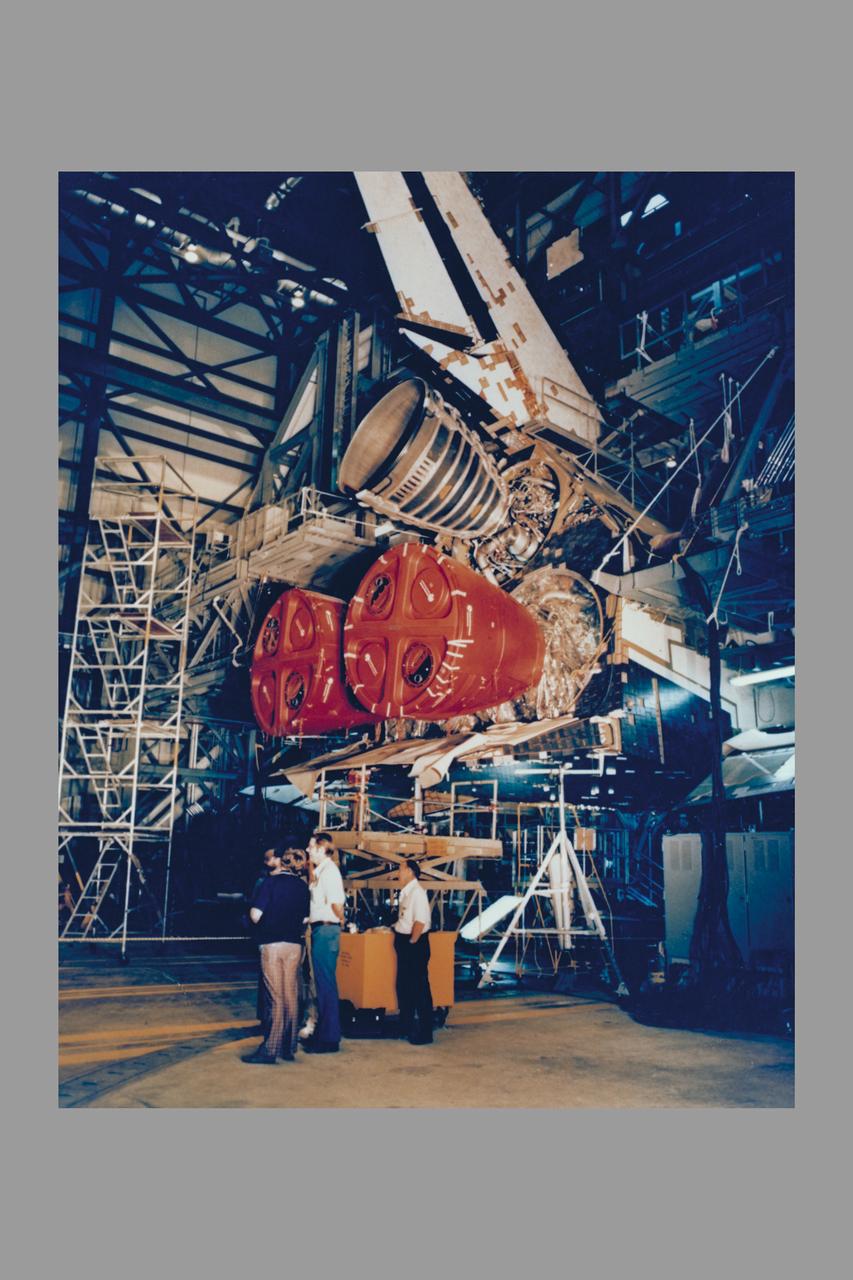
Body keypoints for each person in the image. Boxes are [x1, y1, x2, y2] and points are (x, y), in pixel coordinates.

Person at [242, 845, 310, 1065]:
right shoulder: (303, 887)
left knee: (275, 996)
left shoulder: (269, 883)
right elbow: (305, 920)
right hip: (295, 946)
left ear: (282, 861)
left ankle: (269, 1049)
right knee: (291, 994)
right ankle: (288, 1047)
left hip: (272, 944)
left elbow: (255, 915)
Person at [303, 831, 346, 1054]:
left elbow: (337, 904)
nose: (308, 850)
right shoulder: (321, 872)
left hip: (327, 930)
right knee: (321, 985)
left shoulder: (330, 873)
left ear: (321, 848)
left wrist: (340, 920)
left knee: (326, 985)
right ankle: (325, 1033)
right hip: (321, 929)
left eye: (311, 847)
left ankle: (329, 1039)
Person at [393, 860, 434, 1045]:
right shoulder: (406, 892)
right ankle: (406, 1026)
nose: (398, 873)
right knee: (404, 988)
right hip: (405, 942)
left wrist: (411, 942)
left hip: (414, 945)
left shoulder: (417, 893)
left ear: (410, 871)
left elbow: (420, 921)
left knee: (419, 989)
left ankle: (425, 1033)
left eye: (400, 869)